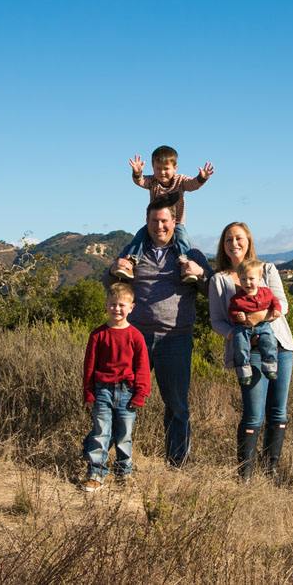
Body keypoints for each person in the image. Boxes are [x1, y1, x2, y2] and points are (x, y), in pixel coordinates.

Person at [104, 197, 213, 468]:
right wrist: (112, 268)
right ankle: (108, 460)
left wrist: (200, 274)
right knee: (120, 397)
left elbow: (212, 291)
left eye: (165, 221)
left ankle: (177, 464)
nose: (159, 226)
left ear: (174, 223)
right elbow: (108, 283)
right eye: (154, 221)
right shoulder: (134, 253)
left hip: (176, 338)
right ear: (147, 222)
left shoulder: (192, 254)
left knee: (177, 405)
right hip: (135, 338)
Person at [208, 222, 293, 483]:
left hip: (281, 347)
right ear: (222, 246)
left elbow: (284, 304)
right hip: (249, 353)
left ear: (248, 241)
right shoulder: (219, 280)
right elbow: (217, 321)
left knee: (278, 411)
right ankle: (244, 475)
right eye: (228, 240)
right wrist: (236, 333)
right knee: (253, 413)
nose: (234, 243)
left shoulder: (267, 269)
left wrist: (256, 318)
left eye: (239, 238)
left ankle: (272, 471)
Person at [81, 283, 151, 492]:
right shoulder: (98, 335)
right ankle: (96, 473)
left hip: (127, 393)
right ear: (106, 305)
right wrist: (88, 390)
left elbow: (142, 367)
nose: (117, 309)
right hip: (102, 390)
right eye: (113, 304)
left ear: (131, 307)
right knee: (101, 432)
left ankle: (123, 473)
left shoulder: (136, 336)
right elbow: (89, 365)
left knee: (124, 435)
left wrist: (141, 393)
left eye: (122, 305)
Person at [116, 145, 214, 283]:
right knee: (140, 236)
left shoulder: (180, 181)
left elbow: (192, 185)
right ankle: (132, 261)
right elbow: (141, 181)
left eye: (166, 169)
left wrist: (201, 178)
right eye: (158, 169)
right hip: (155, 222)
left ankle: (185, 264)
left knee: (182, 239)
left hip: (177, 222)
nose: (162, 172)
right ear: (153, 168)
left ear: (175, 168)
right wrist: (137, 173)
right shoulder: (153, 182)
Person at [228, 258, 282, 386]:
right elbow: (232, 311)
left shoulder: (266, 292)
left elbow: (275, 301)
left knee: (269, 341)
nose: (247, 282)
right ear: (239, 279)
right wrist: (237, 316)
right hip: (243, 327)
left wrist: (276, 310)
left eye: (251, 279)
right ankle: (244, 372)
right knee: (240, 345)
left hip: (263, 325)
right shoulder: (236, 298)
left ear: (259, 279)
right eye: (243, 279)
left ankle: (269, 367)